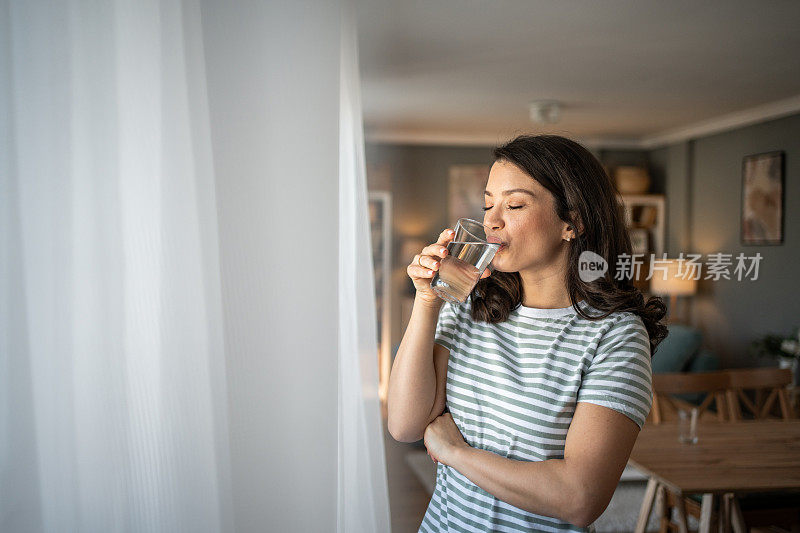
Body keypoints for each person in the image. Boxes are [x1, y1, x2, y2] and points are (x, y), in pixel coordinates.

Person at [387, 134, 668, 533]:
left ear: (573, 222)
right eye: (488, 203)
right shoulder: (470, 304)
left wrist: (455, 453)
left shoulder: (616, 336)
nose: (491, 220)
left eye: (514, 204)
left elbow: (580, 498)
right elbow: (404, 425)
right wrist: (427, 301)